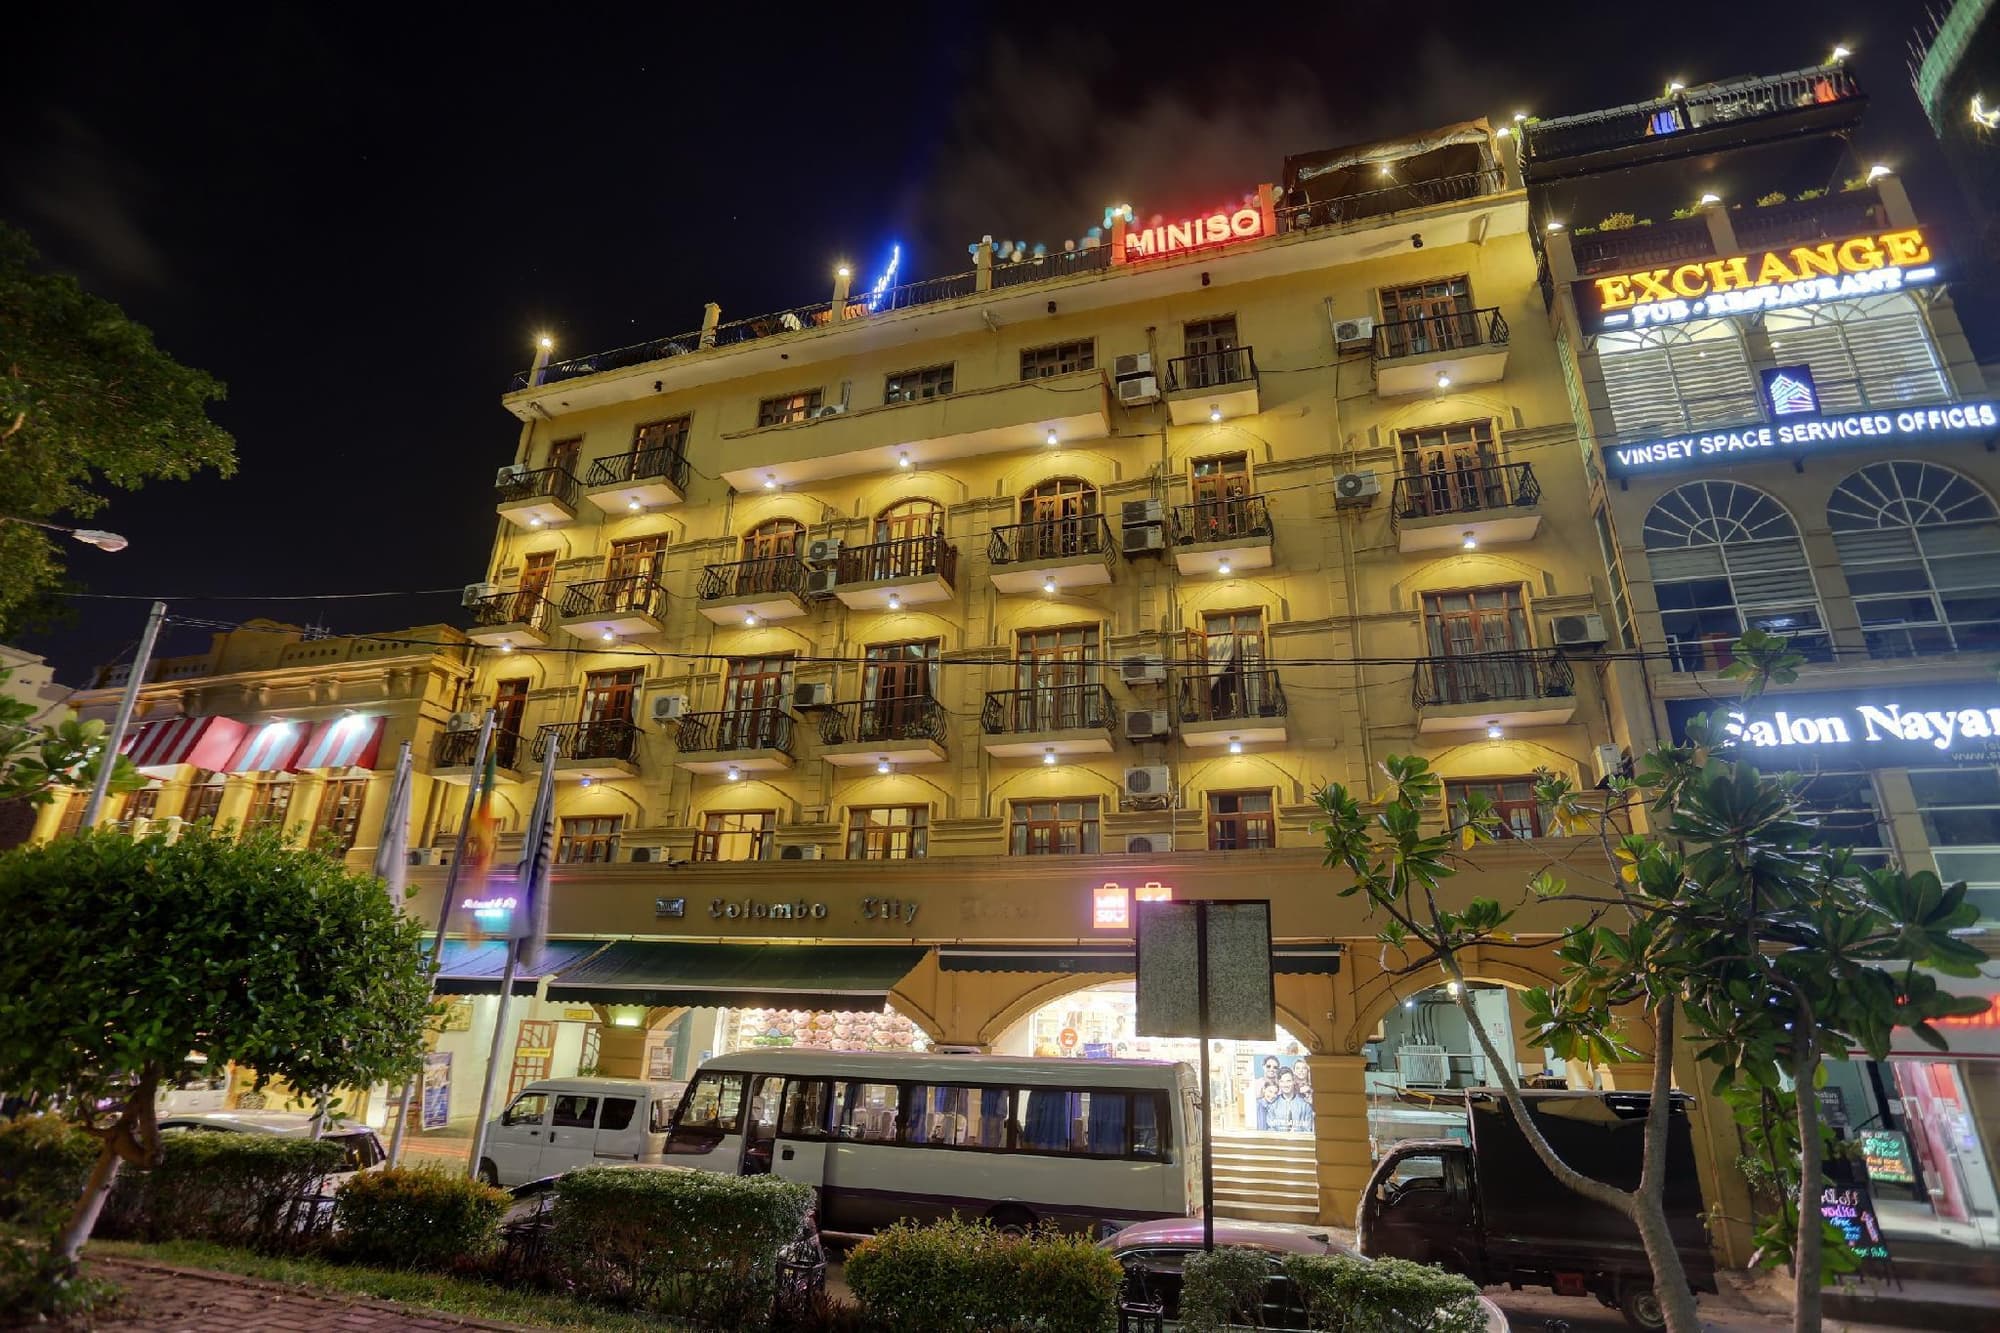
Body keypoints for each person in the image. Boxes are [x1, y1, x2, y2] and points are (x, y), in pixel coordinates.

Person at [1268, 1069, 1315, 1133]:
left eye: (1288, 1081)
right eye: (1282, 1081)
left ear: (1294, 1081)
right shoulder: (1272, 1105)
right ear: (1278, 1083)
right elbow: (1270, 1129)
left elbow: (1308, 1129)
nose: (1285, 1085)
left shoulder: (1305, 1105)